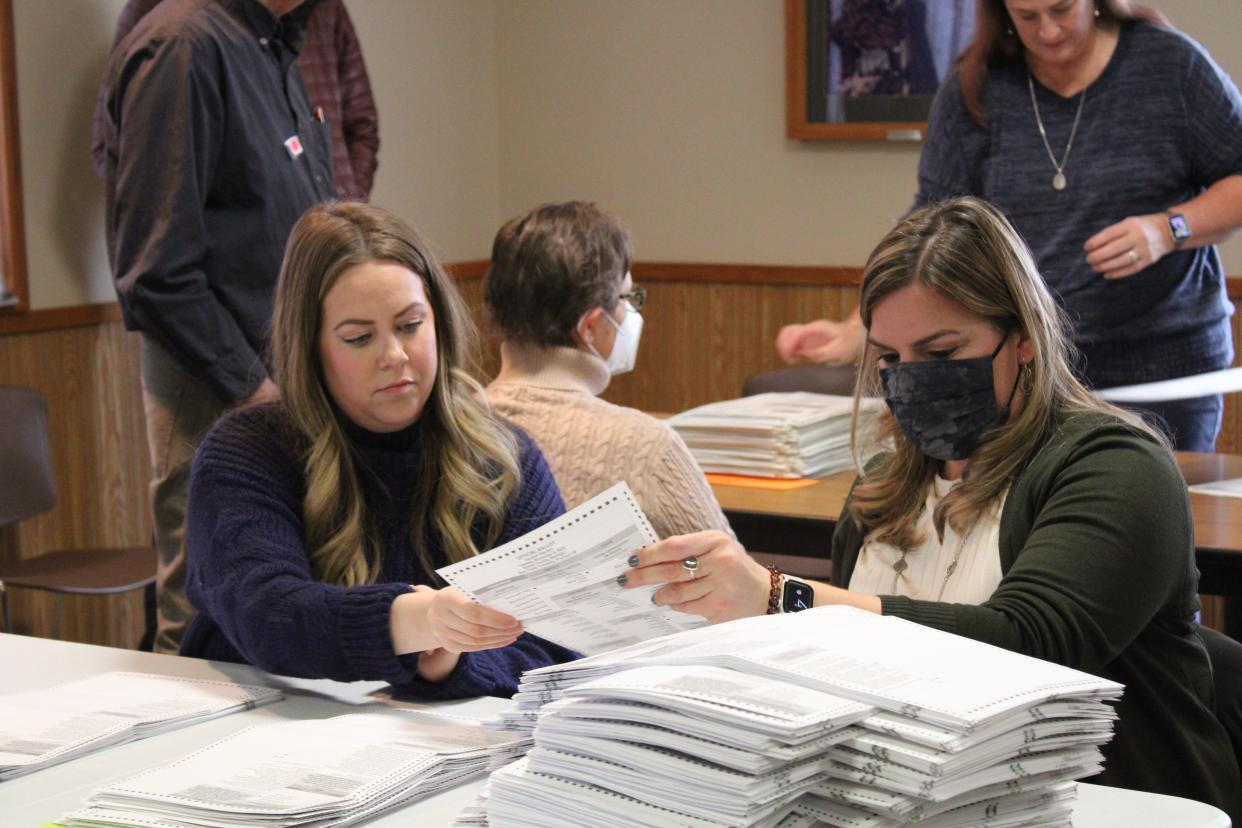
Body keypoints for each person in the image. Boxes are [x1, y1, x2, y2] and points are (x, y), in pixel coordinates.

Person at [623, 198, 1242, 818]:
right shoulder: (885, 487)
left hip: (1108, 803)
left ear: (1023, 338)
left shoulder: (1115, 466)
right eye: (890, 359)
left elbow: (1030, 644)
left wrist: (783, 597)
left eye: (942, 354)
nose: (911, 378)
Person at [776, 0, 1242, 452]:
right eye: (1028, 16)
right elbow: (928, 233)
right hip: (1031, 377)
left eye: (1062, 10)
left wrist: (1167, 230)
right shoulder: (976, 87)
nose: (1049, 31)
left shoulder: (1170, 64)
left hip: (1165, 373)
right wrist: (860, 328)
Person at [181, 202, 577, 696]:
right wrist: (416, 621)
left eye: (411, 325)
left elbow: (560, 644)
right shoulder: (246, 451)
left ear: (440, 324)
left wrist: (449, 666)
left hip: (439, 745)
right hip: (260, 730)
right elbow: (266, 611)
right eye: (359, 337)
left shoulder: (505, 458)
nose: (394, 357)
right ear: (311, 349)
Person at [100, 0, 336, 653]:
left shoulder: (269, 45)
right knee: (204, 618)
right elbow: (155, 271)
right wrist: (257, 390)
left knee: (283, 611)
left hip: (288, 386)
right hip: (223, 389)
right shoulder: (183, 45)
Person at [483, 202, 732, 541]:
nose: (631, 310)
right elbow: (735, 578)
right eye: (627, 297)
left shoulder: (453, 423)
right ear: (590, 327)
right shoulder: (645, 446)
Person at [91, 0, 380, 200]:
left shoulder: (321, 14)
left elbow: (362, 125)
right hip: (228, 271)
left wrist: (347, 205)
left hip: (323, 252)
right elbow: (112, 144)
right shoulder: (167, 29)